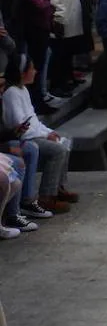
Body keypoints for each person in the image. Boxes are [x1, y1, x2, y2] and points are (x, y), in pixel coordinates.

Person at [1, 59, 75, 215]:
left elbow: (33, 118)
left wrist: (48, 132)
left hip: (36, 134)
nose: (35, 72)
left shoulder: (23, 90)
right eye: (32, 69)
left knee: (66, 138)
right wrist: (45, 135)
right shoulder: (11, 93)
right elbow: (21, 125)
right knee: (57, 150)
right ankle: (47, 196)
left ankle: (58, 186)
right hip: (25, 138)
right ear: (22, 73)